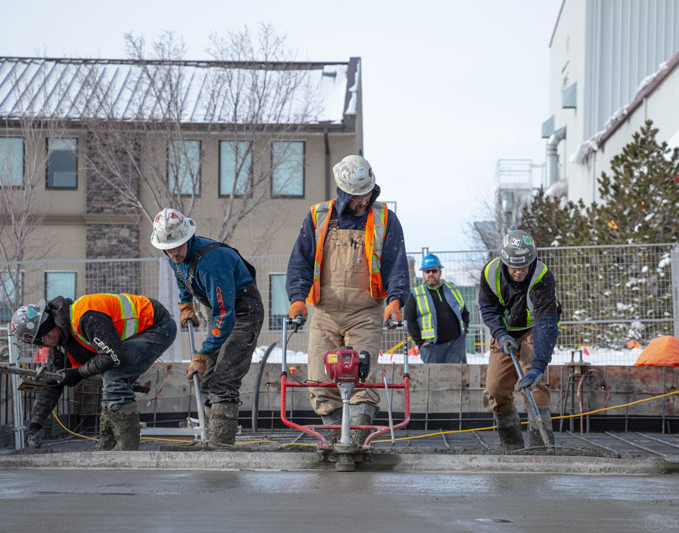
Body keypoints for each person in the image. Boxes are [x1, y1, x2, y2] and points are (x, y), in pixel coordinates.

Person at [286, 154, 409, 444]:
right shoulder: (318, 217)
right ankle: (332, 437)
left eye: (366, 193)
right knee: (319, 378)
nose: (363, 201)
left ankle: (354, 439)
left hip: (364, 313)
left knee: (361, 376)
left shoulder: (384, 220)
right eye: (356, 196)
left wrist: (396, 300)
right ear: (342, 191)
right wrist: (297, 298)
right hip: (325, 313)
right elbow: (300, 262)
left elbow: (396, 264)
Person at [150, 208, 264, 445]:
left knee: (224, 379)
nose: (173, 253)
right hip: (219, 311)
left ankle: (221, 442)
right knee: (208, 378)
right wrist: (185, 305)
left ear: (188, 237)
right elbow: (182, 278)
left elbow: (226, 314)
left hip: (242, 312)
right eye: (167, 248)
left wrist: (201, 354)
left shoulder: (212, 264)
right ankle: (211, 435)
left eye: (177, 246)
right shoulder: (174, 255)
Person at [11, 293, 177, 451]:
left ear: (48, 327)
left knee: (115, 375)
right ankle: (110, 442)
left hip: (157, 326)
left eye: (40, 340)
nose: (42, 346)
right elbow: (52, 382)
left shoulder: (85, 316)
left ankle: (127, 445)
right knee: (111, 375)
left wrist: (77, 373)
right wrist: (36, 425)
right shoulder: (60, 343)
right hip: (135, 335)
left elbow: (113, 357)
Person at [478, 229, 561, 450]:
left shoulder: (542, 277)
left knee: (534, 388)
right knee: (495, 390)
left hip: (534, 329)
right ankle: (511, 444)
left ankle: (541, 446)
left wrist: (537, 367)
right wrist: (500, 334)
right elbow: (487, 308)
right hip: (505, 332)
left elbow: (546, 323)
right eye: (514, 267)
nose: (518, 272)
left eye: (524, 266)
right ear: (504, 261)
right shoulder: (490, 273)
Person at [404, 253, 470, 363]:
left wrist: (463, 331)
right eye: (427, 271)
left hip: (456, 345)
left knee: (457, 378)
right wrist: (421, 342)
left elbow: (464, 311)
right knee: (434, 379)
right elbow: (409, 320)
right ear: (423, 273)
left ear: (440, 272)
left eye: (434, 271)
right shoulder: (415, 294)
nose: (430, 274)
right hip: (431, 348)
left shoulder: (452, 288)